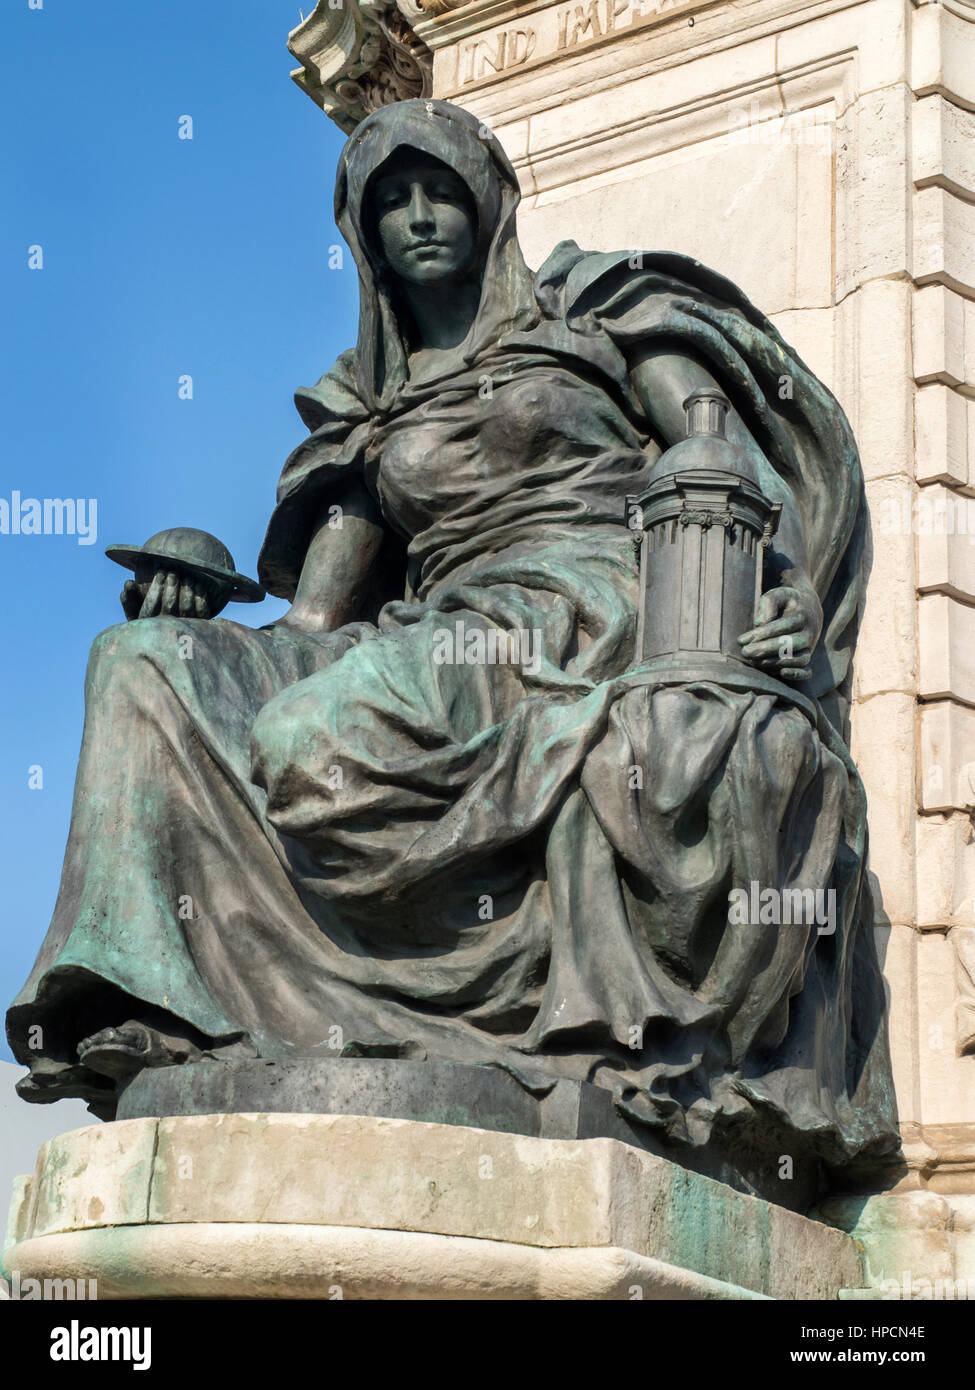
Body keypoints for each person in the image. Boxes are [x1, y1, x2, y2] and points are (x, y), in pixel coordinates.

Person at [7, 99, 897, 1181]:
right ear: (360, 234)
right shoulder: (370, 406)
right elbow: (310, 622)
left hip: (594, 599)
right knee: (144, 667)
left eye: (440, 190)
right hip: (445, 619)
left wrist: (788, 585)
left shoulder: (595, 317)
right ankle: (162, 1007)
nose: (420, 217)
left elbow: (728, 461)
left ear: (491, 200)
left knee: (314, 735)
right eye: (390, 202)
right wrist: (196, 610)